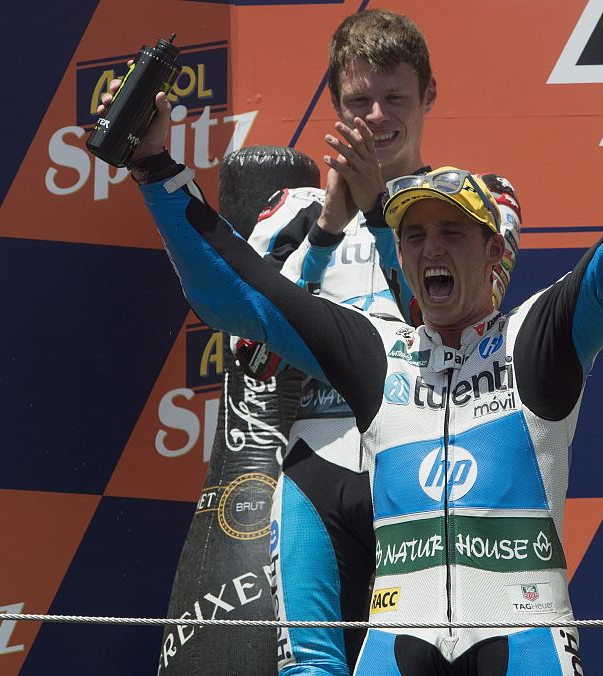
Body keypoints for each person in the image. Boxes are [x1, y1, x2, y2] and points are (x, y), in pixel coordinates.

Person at [126, 87, 603, 671]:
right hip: (396, 643)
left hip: (526, 641)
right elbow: (238, 291)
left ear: (492, 247)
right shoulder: (375, 349)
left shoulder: (535, 337)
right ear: (397, 252)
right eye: (415, 235)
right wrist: (154, 167)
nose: (431, 249)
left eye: (452, 232)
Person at [102, 10, 520, 675]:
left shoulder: (476, 201)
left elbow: (452, 324)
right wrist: (327, 223)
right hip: (316, 460)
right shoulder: (288, 214)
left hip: (428, 463)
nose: (377, 115)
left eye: (395, 98)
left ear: (430, 96)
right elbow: (252, 345)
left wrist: (385, 212)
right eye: (359, 100)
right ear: (334, 102)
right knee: (309, 666)